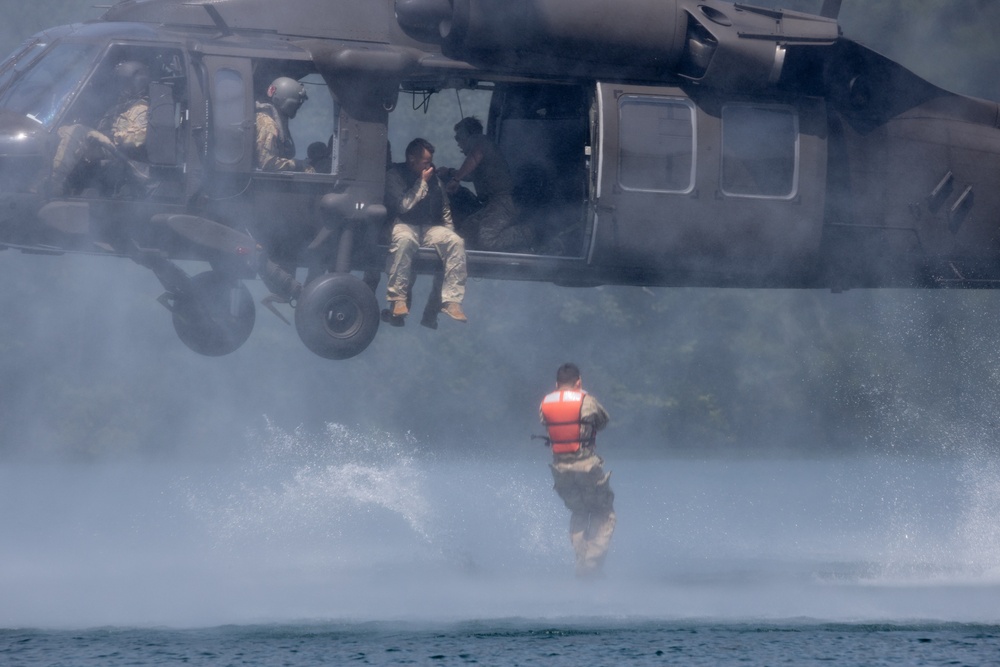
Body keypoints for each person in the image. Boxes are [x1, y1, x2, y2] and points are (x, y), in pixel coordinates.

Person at [539, 362, 615, 578]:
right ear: (579, 382)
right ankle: (590, 567)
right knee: (604, 513)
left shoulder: (545, 403)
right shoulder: (586, 401)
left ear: (556, 384)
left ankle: (581, 565)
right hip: (586, 466)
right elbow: (603, 421)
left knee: (580, 511)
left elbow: (546, 421)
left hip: (560, 468)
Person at [384, 137, 468, 323]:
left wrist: (449, 231)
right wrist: (421, 183)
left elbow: (444, 206)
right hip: (403, 224)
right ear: (412, 159)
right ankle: (398, 299)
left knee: (455, 242)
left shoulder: (434, 180)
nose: (430, 166)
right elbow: (403, 206)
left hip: (428, 228)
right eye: (426, 162)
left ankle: (452, 301)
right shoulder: (394, 175)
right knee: (405, 241)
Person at [49, 60, 151, 196]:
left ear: (137, 84)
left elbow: (139, 137)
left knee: (78, 130)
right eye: (120, 83)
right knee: (65, 131)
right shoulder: (118, 107)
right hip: (104, 147)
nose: (121, 88)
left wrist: (111, 136)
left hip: (119, 152)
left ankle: (55, 182)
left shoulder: (141, 109)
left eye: (125, 83)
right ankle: (49, 180)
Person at [439, 116, 533, 252]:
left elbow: (475, 156)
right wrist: (449, 172)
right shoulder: (482, 150)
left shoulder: (479, 141)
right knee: (466, 233)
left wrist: (455, 179)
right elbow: (470, 175)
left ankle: (527, 232)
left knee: (487, 240)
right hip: (491, 204)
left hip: (503, 201)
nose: (458, 143)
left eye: (458, 138)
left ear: (467, 134)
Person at [255, 76, 313, 172]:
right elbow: (267, 163)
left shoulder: (266, 120)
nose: (296, 109)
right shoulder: (268, 125)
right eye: (296, 106)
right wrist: (297, 165)